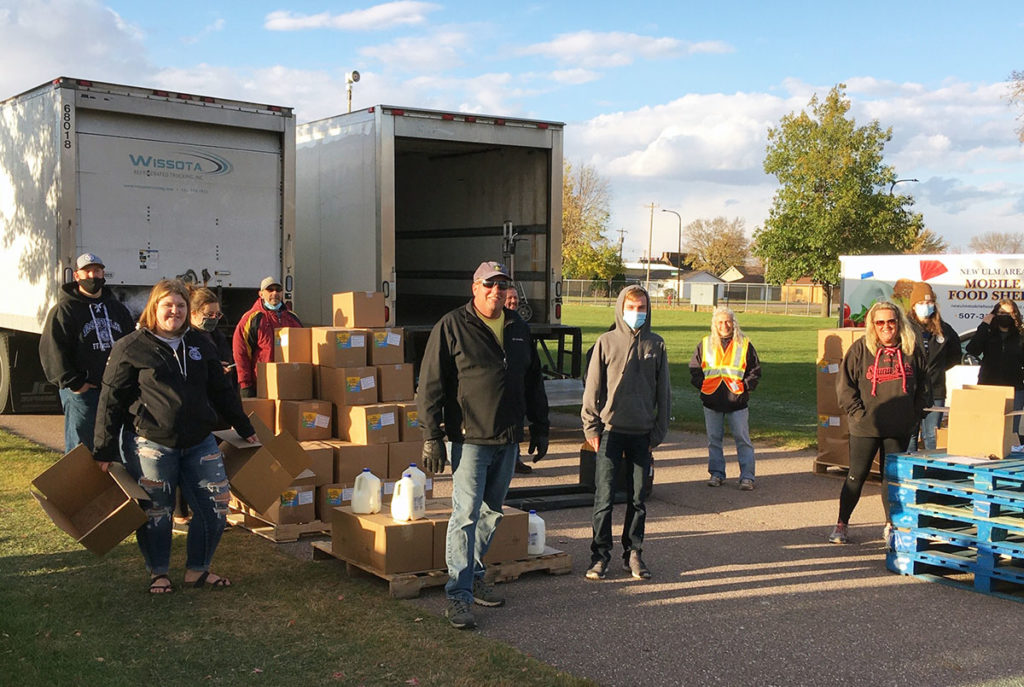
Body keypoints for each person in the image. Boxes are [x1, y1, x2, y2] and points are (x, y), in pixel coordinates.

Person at [92, 279, 257, 594]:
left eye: (181, 305)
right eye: (168, 304)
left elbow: (220, 390)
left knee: (216, 507)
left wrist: (244, 427)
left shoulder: (199, 343)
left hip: (199, 442)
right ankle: (159, 573)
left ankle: (198, 570)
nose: (175, 311)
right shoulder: (131, 346)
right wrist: (104, 450)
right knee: (157, 510)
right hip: (151, 444)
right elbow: (110, 400)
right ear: (154, 307)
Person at [418, 261, 550, 629]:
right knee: (465, 516)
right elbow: (430, 384)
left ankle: (474, 576)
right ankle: (458, 596)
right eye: (489, 284)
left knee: (492, 513)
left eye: (501, 284)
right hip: (471, 438)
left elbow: (533, 382)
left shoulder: (518, 327)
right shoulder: (453, 326)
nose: (496, 290)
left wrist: (541, 426)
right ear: (474, 287)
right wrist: (432, 435)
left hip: (507, 438)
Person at [581, 285, 669, 581]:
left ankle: (634, 553)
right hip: (609, 431)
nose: (636, 313)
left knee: (637, 499)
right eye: (631, 308)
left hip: (641, 433)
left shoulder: (656, 345)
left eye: (641, 308)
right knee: (604, 498)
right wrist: (591, 426)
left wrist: (658, 431)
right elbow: (592, 388)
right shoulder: (605, 343)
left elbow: (664, 392)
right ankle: (599, 556)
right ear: (621, 308)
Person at [829, 301, 927, 546]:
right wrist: (858, 413)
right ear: (872, 325)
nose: (886, 327)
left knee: (891, 478)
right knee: (856, 476)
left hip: (899, 427)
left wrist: (914, 416)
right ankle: (842, 523)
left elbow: (925, 386)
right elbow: (844, 386)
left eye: (891, 321)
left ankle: (891, 525)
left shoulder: (911, 349)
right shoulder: (860, 350)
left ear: (899, 323)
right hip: (865, 427)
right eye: (880, 322)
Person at [39, 252, 135, 453]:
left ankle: (109, 485)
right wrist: (75, 383)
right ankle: (77, 484)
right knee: (81, 448)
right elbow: (53, 350)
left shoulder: (118, 309)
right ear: (77, 276)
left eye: (97, 271)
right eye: (87, 271)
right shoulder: (64, 310)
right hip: (83, 393)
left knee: (114, 446)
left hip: (114, 391)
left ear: (103, 274)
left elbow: (131, 345)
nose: (93, 276)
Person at [689, 306, 761, 491]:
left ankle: (747, 477)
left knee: (742, 439)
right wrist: (702, 385)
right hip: (712, 400)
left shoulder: (744, 344)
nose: (724, 325)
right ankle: (716, 474)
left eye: (727, 321)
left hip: (737, 401)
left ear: (734, 323)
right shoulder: (704, 344)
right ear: (714, 324)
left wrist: (745, 386)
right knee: (714, 439)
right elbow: (695, 368)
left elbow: (754, 370)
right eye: (720, 322)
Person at [905, 283, 961, 450]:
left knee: (932, 436)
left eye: (929, 303)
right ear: (914, 306)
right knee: (911, 434)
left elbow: (955, 355)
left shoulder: (944, 329)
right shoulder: (905, 327)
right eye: (921, 303)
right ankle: (910, 469)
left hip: (935, 389)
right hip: (911, 390)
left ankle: (932, 470)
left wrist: (937, 369)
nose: (926, 307)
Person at [232, 276, 302, 398]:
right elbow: (240, 353)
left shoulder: (293, 318)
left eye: (278, 290)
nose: (275, 293)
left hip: (290, 383)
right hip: (262, 384)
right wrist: (245, 385)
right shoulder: (251, 318)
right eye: (270, 290)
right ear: (261, 294)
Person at [965, 299, 1024, 442]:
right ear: (995, 314)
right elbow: (972, 349)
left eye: (1009, 313)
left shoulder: (1021, 335)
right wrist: (985, 325)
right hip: (988, 387)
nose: (1005, 316)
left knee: (1011, 430)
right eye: (1001, 313)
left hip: (1014, 388)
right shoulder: (989, 332)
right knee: (987, 426)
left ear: (1015, 314)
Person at [504, 287, 533, 475]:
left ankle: (516, 459)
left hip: (517, 386)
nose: (513, 301)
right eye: (510, 298)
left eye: (515, 298)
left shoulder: (521, 326)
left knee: (516, 421)